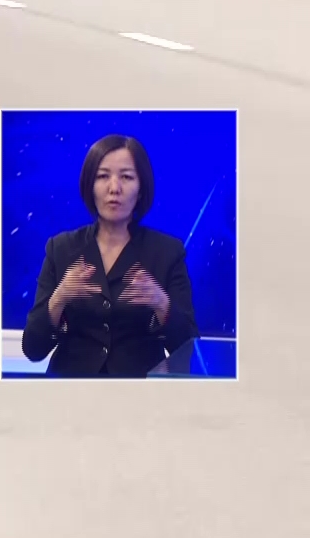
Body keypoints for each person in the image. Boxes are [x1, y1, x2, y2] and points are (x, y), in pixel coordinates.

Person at [21, 134, 198, 377]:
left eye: (126, 177)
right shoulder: (61, 249)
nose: (114, 188)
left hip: (140, 395)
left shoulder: (167, 252)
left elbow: (189, 349)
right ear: (89, 186)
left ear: (142, 188)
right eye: (103, 176)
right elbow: (33, 349)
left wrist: (162, 304)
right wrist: (58, 299)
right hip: (69, 395)